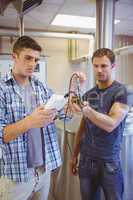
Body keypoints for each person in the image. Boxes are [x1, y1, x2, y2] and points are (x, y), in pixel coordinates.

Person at [0, 35, 71, 200]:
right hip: (16, 174)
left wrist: (70, 107)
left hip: (43, 170)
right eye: (28, 58)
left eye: (36, 60)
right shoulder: (2, 90)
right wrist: (30, 121)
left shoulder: (41, 87)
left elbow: (62, 115)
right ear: (14, 57)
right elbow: (2, 134)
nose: (32, 64)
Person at [69, 48, 129, 200]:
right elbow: (83, 127)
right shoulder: (89, 94)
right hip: (86, 160)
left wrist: (88, 111)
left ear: (113, 66)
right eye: (95, 66)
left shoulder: (121, 92)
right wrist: (74, 155)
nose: (99, 70)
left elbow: (111, 124)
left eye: (104, 66)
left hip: (109, 162)